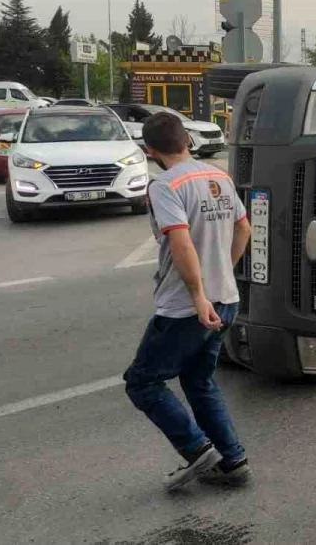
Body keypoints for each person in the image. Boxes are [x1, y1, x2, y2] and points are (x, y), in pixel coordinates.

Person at [123, 112, 253, 491]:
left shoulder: (164, 185)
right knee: (199, 381)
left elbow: (180, 240)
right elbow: (244, 227)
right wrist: (222, 273)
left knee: (142, 383)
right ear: (187, 140)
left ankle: (198, 451)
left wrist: (198, 295)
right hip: (226, 299)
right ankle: (232, 460)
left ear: (150, 150)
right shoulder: (218, 176)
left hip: (186, 307)